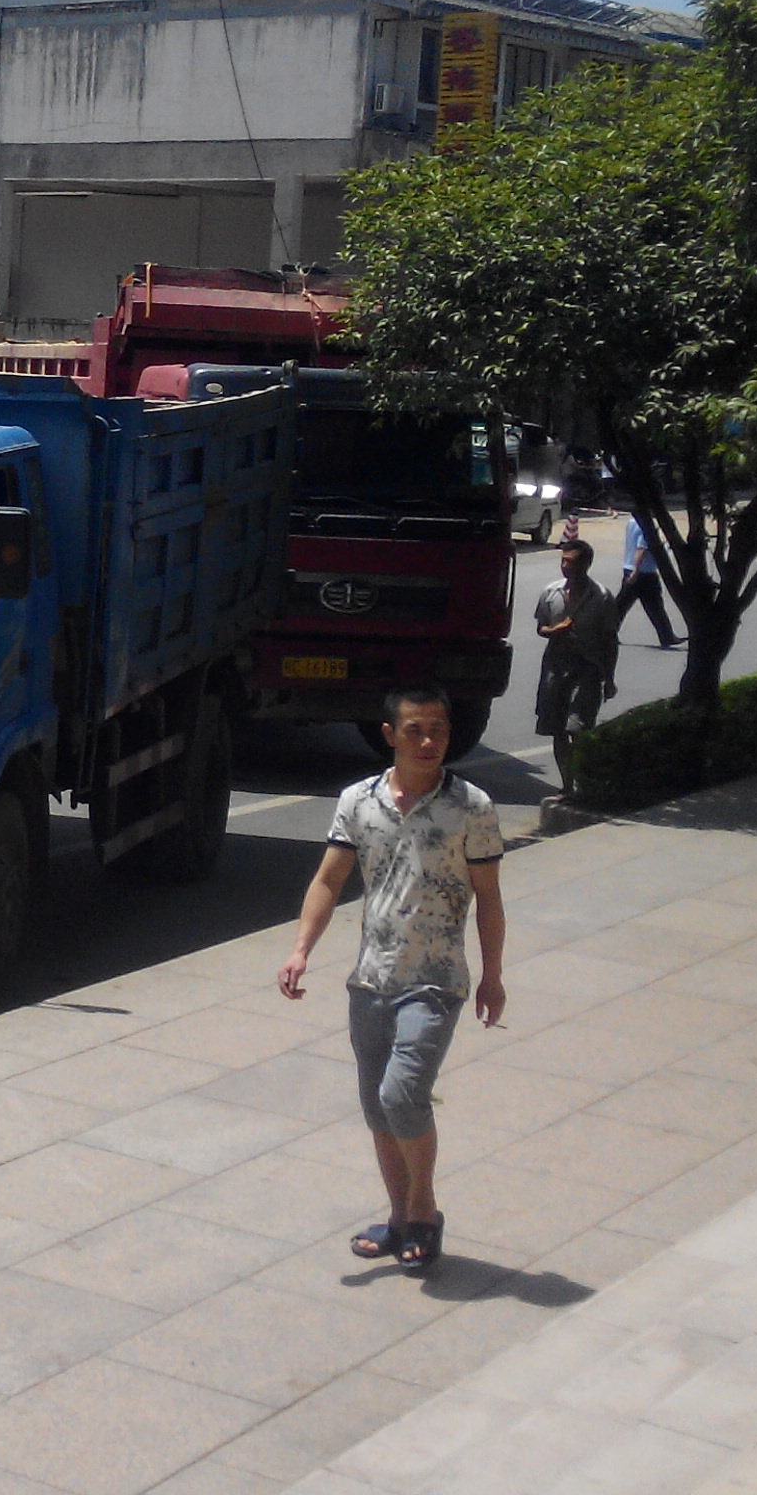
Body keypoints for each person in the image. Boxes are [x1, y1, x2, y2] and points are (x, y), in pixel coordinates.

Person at [275, 684, 507, 1275]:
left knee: (401, 1096)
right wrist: (301, 949)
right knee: (378, 1109)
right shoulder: (359, 800)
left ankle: (424, 1211)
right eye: (416, 731)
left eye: (440, 731)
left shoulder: (471, 806)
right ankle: (400, 1215)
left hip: (435, 979)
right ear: (389, 734)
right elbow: (329, 881)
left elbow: (488, 898)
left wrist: (492, 975)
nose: (430, 742)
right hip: (370, 978)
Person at [534, 538, 619, 797]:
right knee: (557, 730)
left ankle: (585, 781)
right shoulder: (551, 593)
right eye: (563, 561)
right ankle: (567, 785)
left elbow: (610, 640)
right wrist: (553, 630)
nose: (565, 567)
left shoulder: (602, 597)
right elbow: (540, 628)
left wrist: (609, 678)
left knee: (578, 728)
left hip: (588, 670)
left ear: (586, 564)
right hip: (555, 670)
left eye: (571, 562)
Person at [615, 513, 679, 648]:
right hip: (644, 572)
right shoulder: (647, 527)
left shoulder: (631, 522)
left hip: (630, 568)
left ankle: (667, 636)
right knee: (655, 606)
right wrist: (636, 572)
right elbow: (641, 550)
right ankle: (667, 637)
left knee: (621, 606)